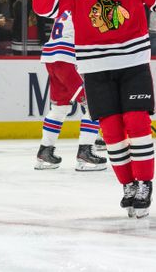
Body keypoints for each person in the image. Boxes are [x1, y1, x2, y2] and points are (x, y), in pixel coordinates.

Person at [32, 0, 156, 218]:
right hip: (95, 68)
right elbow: (43, 8)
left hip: (133, 64)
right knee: (113, 131)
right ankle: (128, 185)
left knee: (137, 121)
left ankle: (144, 184)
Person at [35, 10, 107, 171]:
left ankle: (44, 153)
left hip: (51, 58)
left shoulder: (65, 6)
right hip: (67, 57)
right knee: (94, 105)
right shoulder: (83, 3)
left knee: (60, 108)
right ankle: (85, 154)